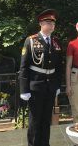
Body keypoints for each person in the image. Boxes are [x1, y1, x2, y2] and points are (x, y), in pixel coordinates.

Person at [19, 9, 63, 146]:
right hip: (35, 87)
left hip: (50, 88)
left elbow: (58, 67)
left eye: (53, 23)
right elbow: (24, 67)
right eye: (48, 22)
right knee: (35, 120)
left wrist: (57, 86)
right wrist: (23, 90)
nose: (51, 25)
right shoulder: (31, 41)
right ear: (41, 24)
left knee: (46, 120)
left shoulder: (56, 42)